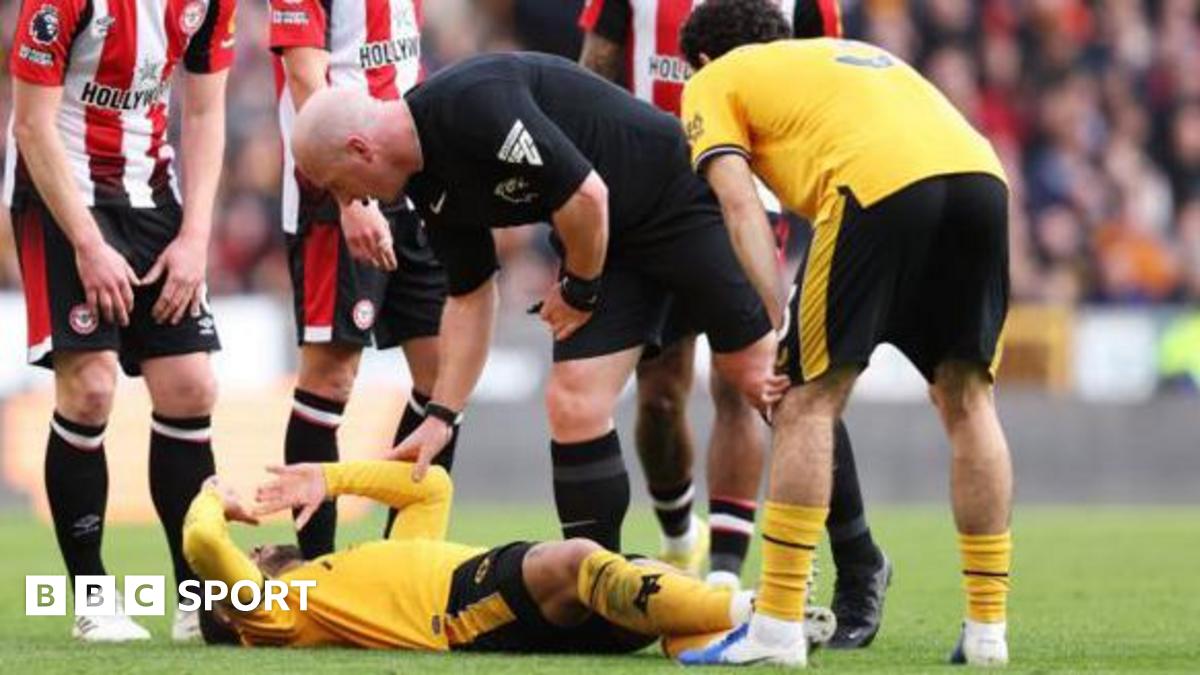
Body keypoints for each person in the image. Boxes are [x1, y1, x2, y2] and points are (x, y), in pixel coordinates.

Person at [289, 53, 785, 557]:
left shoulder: (471, 106)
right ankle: (595, 586)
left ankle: (853, 568)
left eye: (335, 184)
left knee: (762, 380)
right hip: (611, 244)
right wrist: (442, 416)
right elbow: (470, 295)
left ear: (360, 150)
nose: (346, 200)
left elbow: (588, 196)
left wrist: (579, 289)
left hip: (678, 199)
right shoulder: (422, 177)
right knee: (573, 402)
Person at [675, 0, 1014, 667]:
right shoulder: (847, 54)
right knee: (969, 401)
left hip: (878, 184)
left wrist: (777, 320)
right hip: (982, 178)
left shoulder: (713, 78)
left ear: (706, 58)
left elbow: (740, 203)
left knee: (805, 399)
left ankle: (774, 630)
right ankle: (987, 633)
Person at [577, 0, 890, 650]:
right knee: (660, 394)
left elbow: (826, 86)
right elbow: (596, 69)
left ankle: (725, 570)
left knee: (748, 380)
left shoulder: (811, 6)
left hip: (749, 199)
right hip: (645, 204)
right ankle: (677, 534)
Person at [4, 0, 236, 642]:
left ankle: (198, 599)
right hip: (61, 196)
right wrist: (87, 243)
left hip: (153, 196)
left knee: (191, 385)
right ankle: (92, 598)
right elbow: (30, 124)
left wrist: (196, 237)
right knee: (92, 385)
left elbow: (205, 108)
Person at [184, 461, 782, 654]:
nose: (255, 548)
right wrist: (216, 498)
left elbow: (430, 485)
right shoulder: (280, 614)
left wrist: (328, 478)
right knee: (578, 558)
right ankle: (759, 610)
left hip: (486, 593)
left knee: (638, 574)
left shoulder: (353, 572)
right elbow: (204, 546)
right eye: (250, 561)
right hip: (460, 606)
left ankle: (718, 640)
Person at [269, 0, 461, 561]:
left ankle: (403, 559)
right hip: (337, 189)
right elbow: (305, 76)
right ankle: (315, 570)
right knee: (330, 377)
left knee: (443, 376)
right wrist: (349, 198)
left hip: (409, 181)